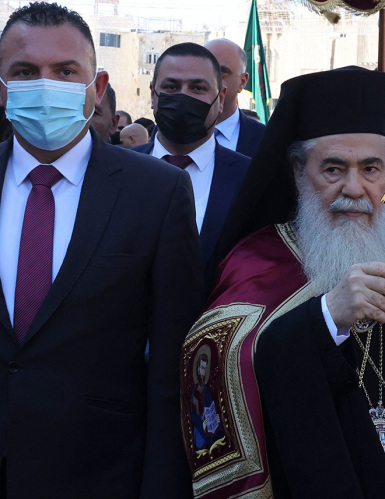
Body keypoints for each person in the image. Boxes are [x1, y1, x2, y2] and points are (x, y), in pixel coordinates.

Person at [180, 66, 385, 498]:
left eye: (371, 169)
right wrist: (327, 318)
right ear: (298, 172)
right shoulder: (256, 261)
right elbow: (216, 369)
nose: (355, 188)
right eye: (333, 169)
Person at [0, 3, 203, 497]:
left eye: (65, 71)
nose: (46, 85)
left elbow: (171, 370)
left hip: (101, 472)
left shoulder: (157, 193)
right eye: (25, 72)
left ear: (97, 85)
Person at [131, 42, 250, 290]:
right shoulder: (114, 171)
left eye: (198, 88)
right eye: (172, 87)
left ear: (221, 98)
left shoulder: (251, 179)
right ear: (153, 94)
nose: (183, 97)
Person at [204, 38, 266, 157]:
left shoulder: (268, 140)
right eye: (203, 70)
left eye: (221, 72)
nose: (208, 79)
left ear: (242, 82)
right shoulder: (167, 134)